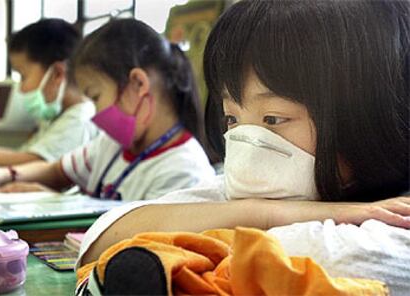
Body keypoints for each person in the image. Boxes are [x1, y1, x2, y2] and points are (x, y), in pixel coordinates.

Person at [72, 0, 410, 294]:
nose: (248, 143)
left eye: (274, 119)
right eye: (232, 119)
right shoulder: (271, 195)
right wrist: (262, 213)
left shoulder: (395, 229)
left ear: (373, 114)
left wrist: (202, 232)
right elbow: (101, 237)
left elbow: (315, 258)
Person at [0, 19, 215, 200]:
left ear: (138, 84)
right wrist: (7, 175)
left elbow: (132, 238)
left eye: (96, 97)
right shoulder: (110, 146)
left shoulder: (183, 173)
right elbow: (56, 170)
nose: (94, 113)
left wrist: (56, 200)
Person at [0, 19, 98, 166]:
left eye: (23, 76)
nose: (21, 88)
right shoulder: (56, 117)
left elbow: (33, 164)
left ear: (57, 73)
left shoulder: (80, 121)